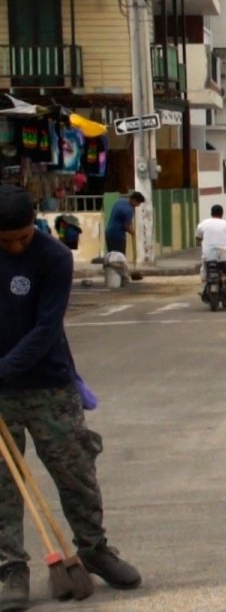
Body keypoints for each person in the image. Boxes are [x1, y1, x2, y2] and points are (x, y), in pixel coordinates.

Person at [0, 186, 142, 609]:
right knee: (4, 486)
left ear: (34, 227)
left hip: (50, 385)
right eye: (6, 241)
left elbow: (46, 330)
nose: (16, 246)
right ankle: (11, 569)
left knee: (75, 470)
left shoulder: (53, 258)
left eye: (23, 237)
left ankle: (94, 549)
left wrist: (2, 369)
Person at [196, 204, 226, 300]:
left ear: (211, 213)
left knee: (204, 268)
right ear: (222, 214)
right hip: (223, 253)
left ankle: (203, 286)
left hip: (208, 254)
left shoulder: (203, 223)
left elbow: (198, 237)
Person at [104, 191, 143, 256]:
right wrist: (133, 233)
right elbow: (127, 226)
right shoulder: (129, 210)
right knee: (120, 257)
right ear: (134, 200)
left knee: (111, 256)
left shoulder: (119, 202)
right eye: (139, 203)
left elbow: (128, 222)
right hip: (118, 236)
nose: (139, 205)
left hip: (109, 233)